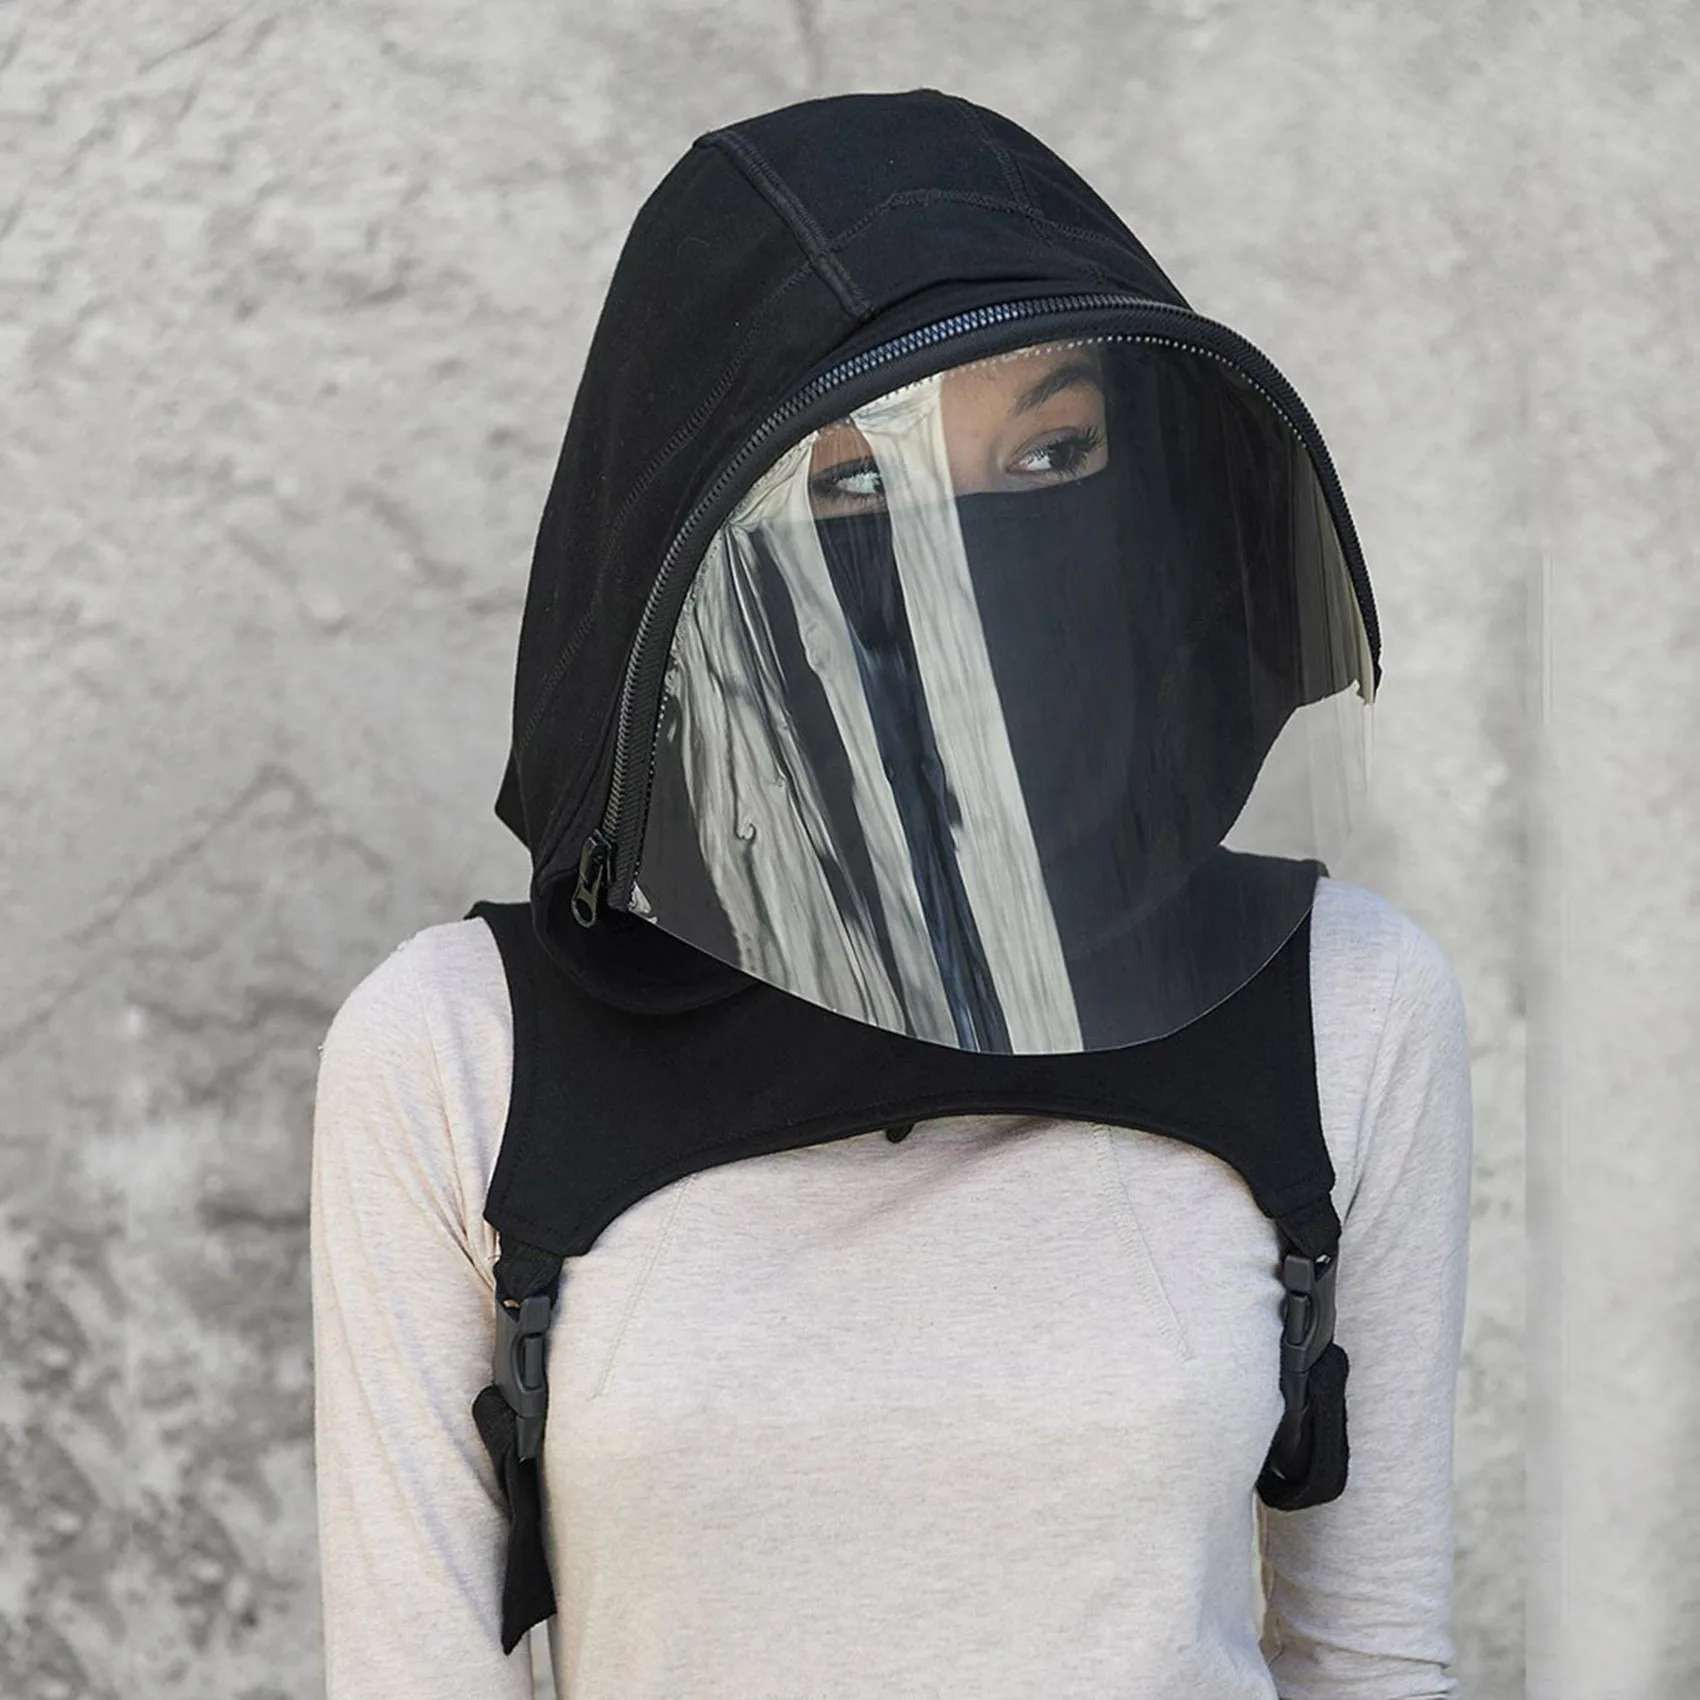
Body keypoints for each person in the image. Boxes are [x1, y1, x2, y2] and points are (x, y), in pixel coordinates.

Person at [310, 89, 1473, 1699]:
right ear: (686, 544)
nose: (977, 566)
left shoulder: (1344, 1003)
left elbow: (1373, 1662)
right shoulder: (456, 1056)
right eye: (854, 490)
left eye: (1053, 453)